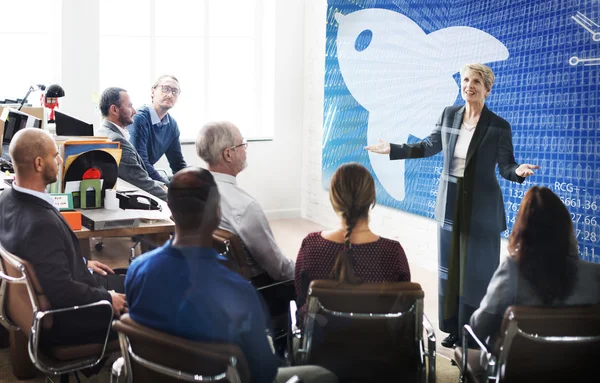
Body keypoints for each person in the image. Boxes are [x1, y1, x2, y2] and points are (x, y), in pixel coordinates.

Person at [365, 63, 539, 348]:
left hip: (482, 210)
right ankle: (455, 329)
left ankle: (477, 331)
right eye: (465, 80)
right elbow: (428, 145)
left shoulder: (498, 126)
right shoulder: (448, 115)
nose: (469, 86)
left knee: (478, 273)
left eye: (476, 82)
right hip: (449, 203)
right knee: (451, 271)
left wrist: (518, 171)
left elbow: (506, 166)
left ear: (487, 89)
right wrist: (393, 149)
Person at [125, 168, 338, 383]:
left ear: (170, 209)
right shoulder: (237, 290)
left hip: (158, 375)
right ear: (217, 213)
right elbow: (264, 371)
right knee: (324, 376)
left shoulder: (137, 271)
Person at [0, 128, 126, 347]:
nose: (59, 160)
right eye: (54, 154)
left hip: (57, 298)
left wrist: (82, 263)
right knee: (149, 292)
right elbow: (63, 291)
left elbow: (43, 261)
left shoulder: (6, 199)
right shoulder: (41, 223)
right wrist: (108, 298)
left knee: (131, 277)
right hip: (73, 317)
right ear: (39, 164)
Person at [470, 186, 600, 346]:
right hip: (577, 367)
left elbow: (479, 327)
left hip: (518, 368)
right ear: (566, 228)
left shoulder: (511, 271)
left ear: (522, 230)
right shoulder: (594, 275)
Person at [295, 162, 411, 324]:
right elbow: (404, 309)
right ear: (372, 199)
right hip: (380, 344)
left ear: (333, 199)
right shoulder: (393, 252)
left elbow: (301, 300)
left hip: (323, 344)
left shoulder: (312, 246)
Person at [196, 121, 295, 282]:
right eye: (242, 144)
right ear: (228, 154)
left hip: (213, 283)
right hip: (257, 291)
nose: (245, 150)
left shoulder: (193, 191)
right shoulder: (245, 207)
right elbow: (279, 270)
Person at [97, 87, 167, 201]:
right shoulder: (117, 141)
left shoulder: (103, 132)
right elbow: (141, 182)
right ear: (114, 110)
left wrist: (161, 185)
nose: (134, 111)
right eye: (129, 106)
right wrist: (175, 200)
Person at [128, 75, 187, 184]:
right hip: (128, 179)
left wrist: (191, 184)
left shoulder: (172, 125)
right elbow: (141, 162)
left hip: (145, 178)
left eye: (175, 91)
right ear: (153, 92)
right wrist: (168, 186)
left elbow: (177, 164)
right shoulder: (139, 119)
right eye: (165, 89)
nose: (169, 94)